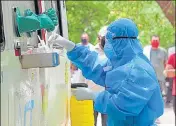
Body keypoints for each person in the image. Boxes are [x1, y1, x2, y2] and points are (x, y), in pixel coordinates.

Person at [48, 18, 164, 126]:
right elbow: (96, 66)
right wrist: (71, 47)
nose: (105, 43)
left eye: (108, 40)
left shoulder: (139, 70)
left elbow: (124, 105)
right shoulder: (119, 64)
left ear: (122, 41)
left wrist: (93, 96)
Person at [93, 26, 108, 126]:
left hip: (108, 97)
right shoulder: (92, 51)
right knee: (91, 122)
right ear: (99, 38)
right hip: (92, 95)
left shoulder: (114, 54)